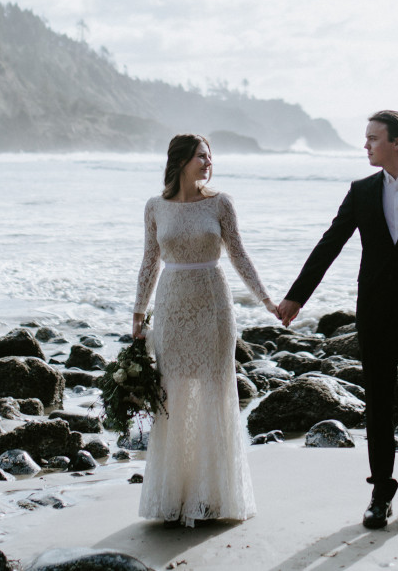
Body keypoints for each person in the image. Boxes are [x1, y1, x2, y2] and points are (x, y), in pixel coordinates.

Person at [275, 110, 398, 531]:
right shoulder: (362, 191)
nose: (365, 146)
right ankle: (381, 491)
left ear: (397, 142)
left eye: (373, 139)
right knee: (378, 403)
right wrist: (296, 296)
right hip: (376, 313)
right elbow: (330, 243)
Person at [132, 133, 278, 526]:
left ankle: (213, 497)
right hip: (172, 306)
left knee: (215, 392)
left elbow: (238, 253)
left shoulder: (220, 203)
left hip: (213, 305)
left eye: (210, 156)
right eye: (201, 156)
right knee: (173, 394)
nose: (208, 162)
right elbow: (149, 262)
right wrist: (138, 315)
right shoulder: (155, 207)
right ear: (180, 161)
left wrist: (266, 300)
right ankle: (174, 496)